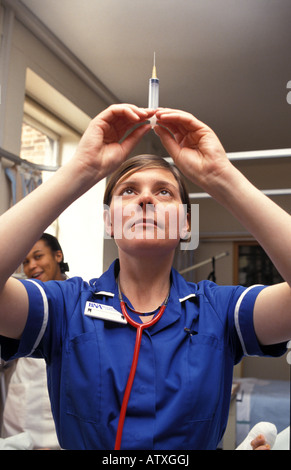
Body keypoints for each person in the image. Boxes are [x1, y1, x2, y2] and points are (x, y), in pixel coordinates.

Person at [0, 104, 290, 450]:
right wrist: (81, 169)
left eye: (164, 191)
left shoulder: (220, 310)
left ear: (185, 224)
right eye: (129, 191)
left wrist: (221, 177)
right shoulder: (65, 305)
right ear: (109, 222)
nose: (147, 199)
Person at [1, 233, 69, 449]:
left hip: (60, 417)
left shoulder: (79, 297)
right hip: (21, 414)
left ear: (58, 255)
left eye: (38, 256)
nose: (32, 266)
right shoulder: (22, 299)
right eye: (26, 261)